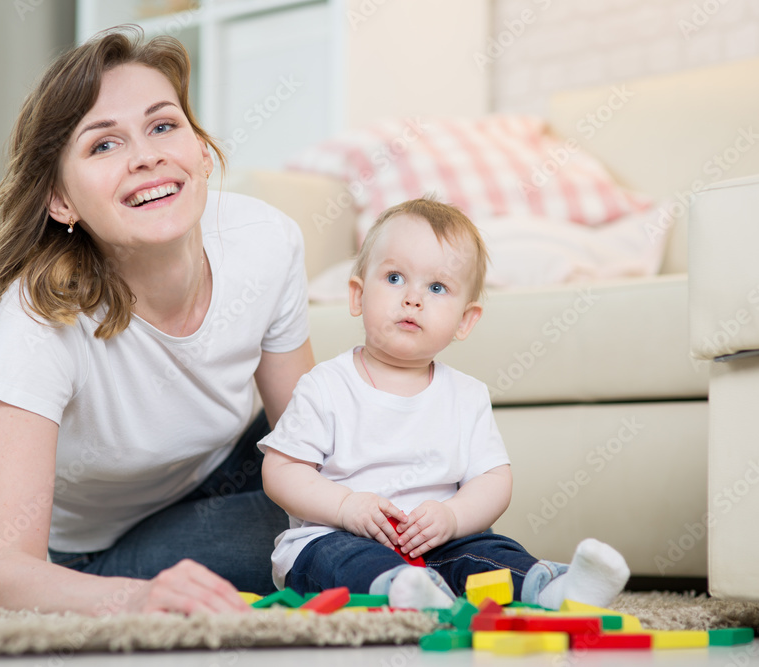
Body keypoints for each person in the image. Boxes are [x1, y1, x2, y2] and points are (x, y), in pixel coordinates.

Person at [0, 26, 314, 616]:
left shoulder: (267, 241)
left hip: (222, 465)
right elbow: (3, 572)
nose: (147, 155)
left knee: (365, 468)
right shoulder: (42, 313)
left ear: (200, 148)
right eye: (103, 145)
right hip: (103, 548)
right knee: (311, 539)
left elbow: (310, 441)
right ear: (62, 202)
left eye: (163, 125)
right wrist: (142, 596)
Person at [259, 197, 630, 610]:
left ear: (466, 320)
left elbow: (493, 481)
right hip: (337, 535)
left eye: (436, 288)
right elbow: (281, 469)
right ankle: (400, 589)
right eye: (395, 278)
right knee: (335, 560)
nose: (413, 298)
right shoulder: (325, 385)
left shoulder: (467, 396)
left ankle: (552, 588)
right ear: (357, 295)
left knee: (487, 552)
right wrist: (344, 507)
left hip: (440, 542)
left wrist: (452, 517)